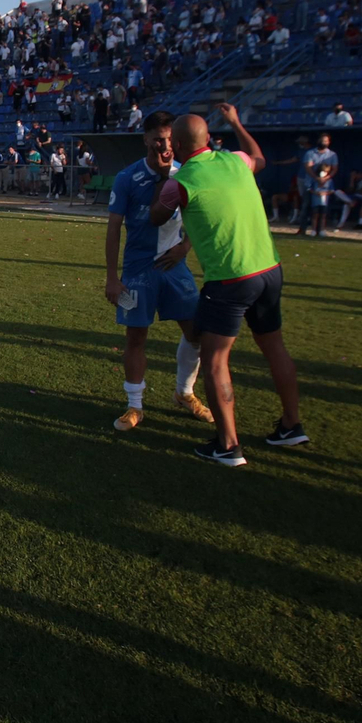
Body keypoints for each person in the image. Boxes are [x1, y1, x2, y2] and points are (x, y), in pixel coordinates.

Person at [149, 104, 307, 465]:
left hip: (229, 278)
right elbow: (258, 157)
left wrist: (162, 175)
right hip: (268, 268)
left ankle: (228, 444)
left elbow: (156, 216)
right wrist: (237, 122)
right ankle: (291, 425)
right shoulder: (236, 160)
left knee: (215, 359)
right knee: (275, 348)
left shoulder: (181, 181)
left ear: (176, 145)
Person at [103, 110, 214, 433]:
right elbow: (113, 229)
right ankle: (134, 406)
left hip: (175, 266)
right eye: (157, 140)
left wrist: (185, 248)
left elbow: (201, 216)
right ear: (145, 140)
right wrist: (112, 276)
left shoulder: (185, 173)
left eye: (168, 140)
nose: (163, 147)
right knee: (136, 336)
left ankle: (184, 393)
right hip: (138, 269)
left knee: (196, 332)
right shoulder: (128, 178)